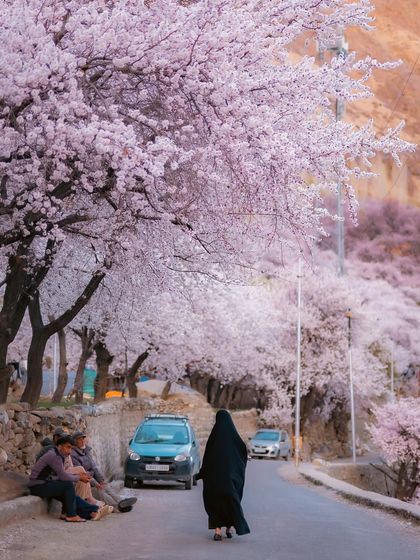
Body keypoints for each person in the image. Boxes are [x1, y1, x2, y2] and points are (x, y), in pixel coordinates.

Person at [197, 409, 250, 541]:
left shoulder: (214, 438)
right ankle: (229, 529)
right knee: (231, 501)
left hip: (215, 481)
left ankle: (217, 531)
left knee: (216, 503)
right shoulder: (234, 437)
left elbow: (207, 458)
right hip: (231, 480)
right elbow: (242, 452)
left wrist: (201, 474)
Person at [28, 435, 108, 522]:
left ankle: (91, 513)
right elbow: (64, 476)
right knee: (68, 485)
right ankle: (72, 515)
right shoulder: (54, 456)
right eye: (68, 447)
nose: (69, 451)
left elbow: (61, 475)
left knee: (72, 496)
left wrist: (80, 476)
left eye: (71, 448)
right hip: (37, 486)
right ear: (59, 446)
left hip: (44, 483)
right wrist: (79, 478)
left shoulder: (58, 454)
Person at [71, 432, 137, 513]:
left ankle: (121, 501)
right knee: (101, 491)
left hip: (92, 478)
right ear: (74, 441)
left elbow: (94, 467)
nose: (82, 441)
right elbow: (83, 473)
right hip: (84, 480)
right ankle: (116, 506)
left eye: (83, 439)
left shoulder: (86, 451)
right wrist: (97, 484)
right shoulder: (73, 455)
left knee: (106, 487)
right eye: (79, 440)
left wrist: (101, 480)